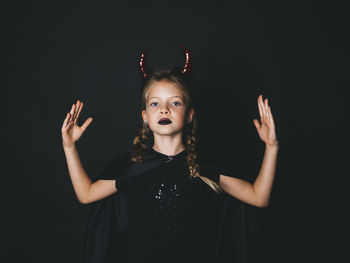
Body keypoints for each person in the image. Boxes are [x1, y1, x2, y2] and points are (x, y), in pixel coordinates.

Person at [61, 46, 279, 263]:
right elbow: (86, 194)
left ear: (189, 115)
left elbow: (259, 197)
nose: (164, 110)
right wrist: (69, 147)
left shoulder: (205, 168)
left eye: (175, 103)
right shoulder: (132, 168)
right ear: (145, 116)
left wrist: (271, 147)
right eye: (155, 104)